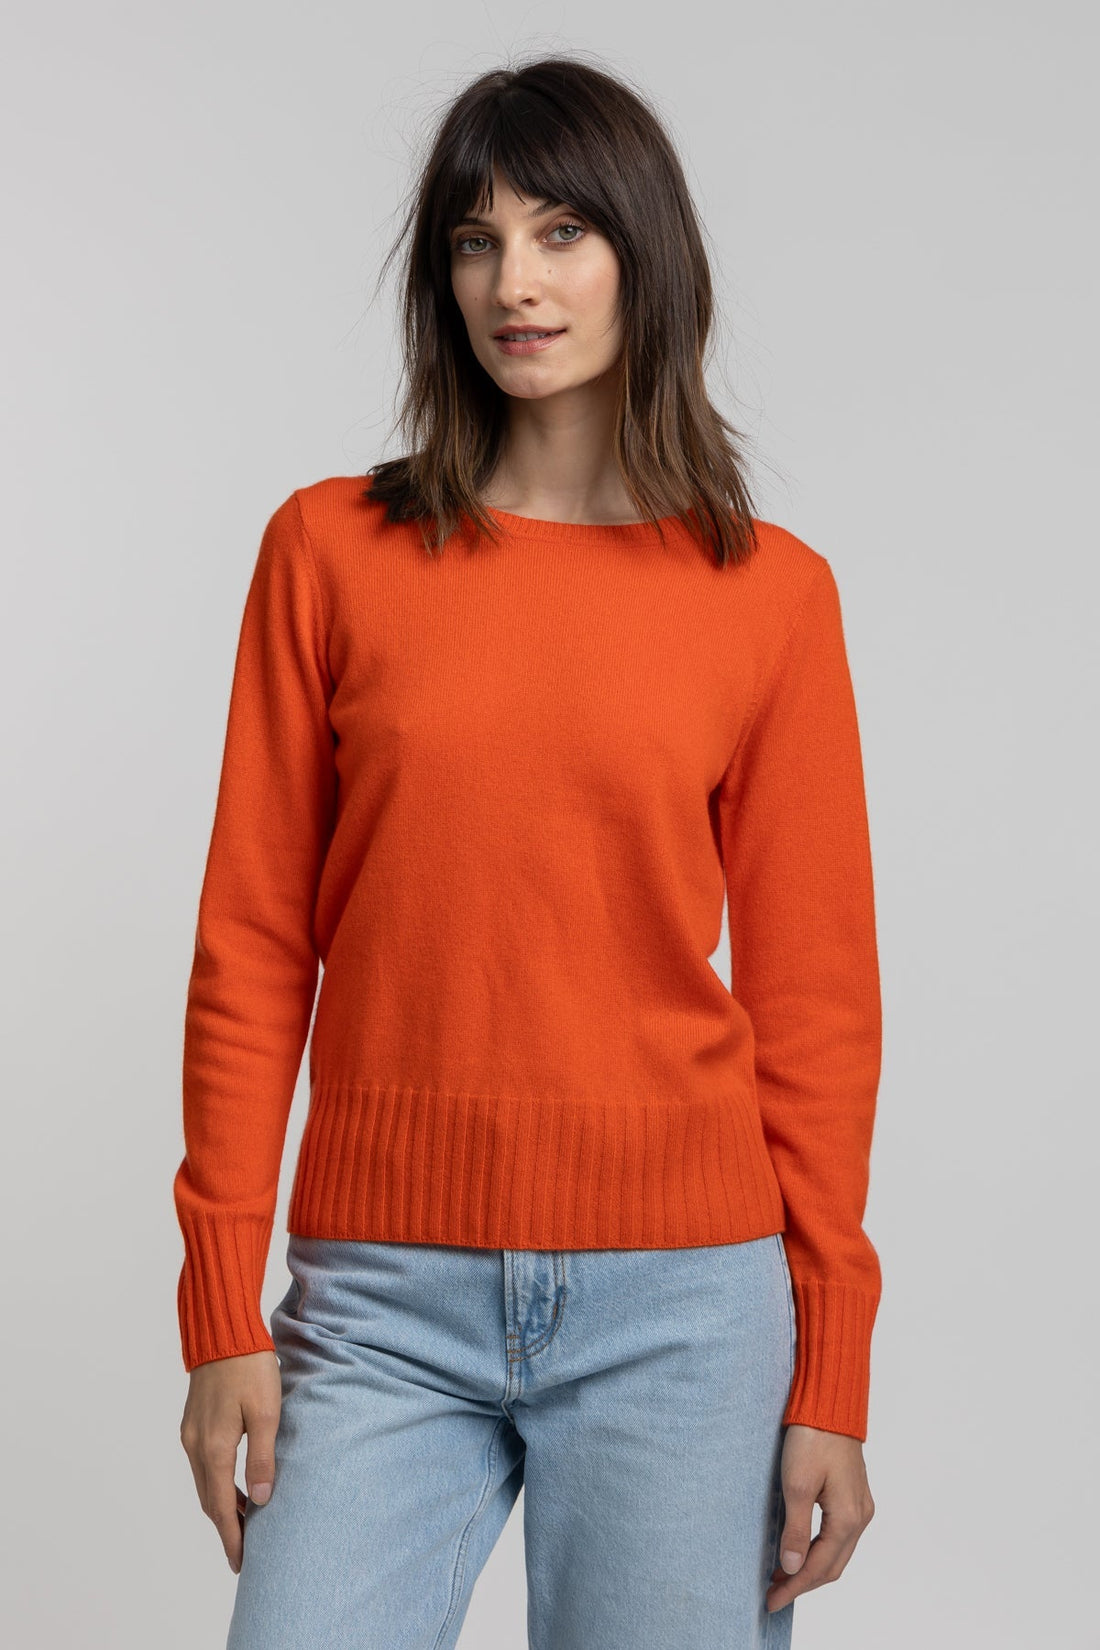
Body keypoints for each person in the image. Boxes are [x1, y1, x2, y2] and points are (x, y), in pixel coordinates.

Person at [176, 53, 881, 1650]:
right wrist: (222, 1304)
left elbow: (819, 1003)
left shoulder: (770, 596)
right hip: (378, 1297)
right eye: (476, 241)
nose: (516, 282)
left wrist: (831, 1362)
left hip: (685, 1306)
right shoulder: (328, 552)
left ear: (645, 256)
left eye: (563, 232)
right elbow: (252, 945)